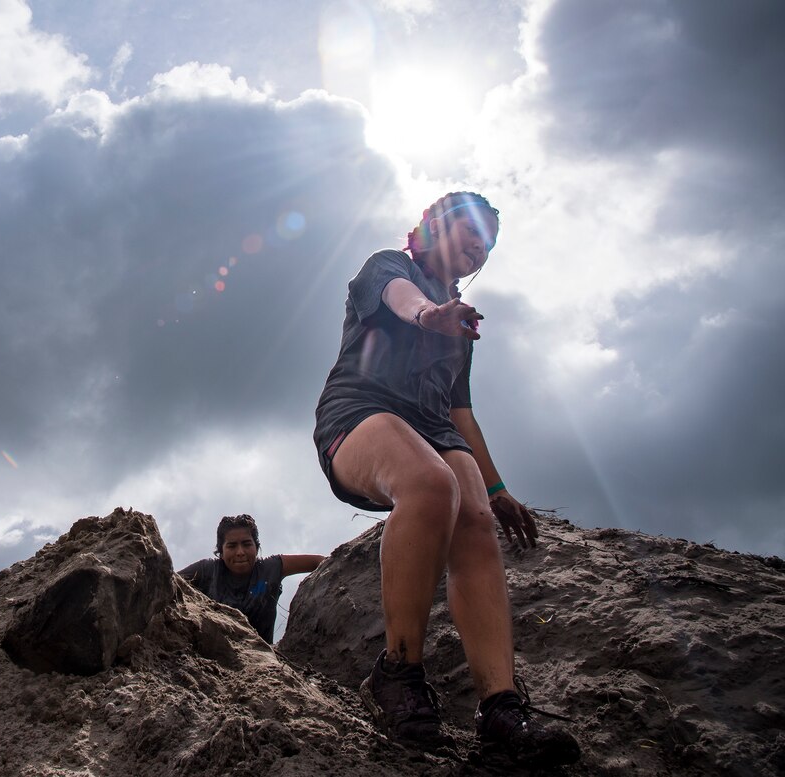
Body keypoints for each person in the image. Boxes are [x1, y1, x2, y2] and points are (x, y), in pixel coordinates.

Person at [313, 192, 580, 767]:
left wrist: (498, 489)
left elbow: (461, 414)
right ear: (434, 227)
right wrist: (428, 315)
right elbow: (399, 297)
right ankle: (397, 673)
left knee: (476, 520)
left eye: (489, 242)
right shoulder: (389, 266)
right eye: (471, 230)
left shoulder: (462, 321)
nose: (480, 245)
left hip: (436, 427)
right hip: (362, 411)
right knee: (431, 484)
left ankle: (501, 709)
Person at [178, 514, 324, 643]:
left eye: (246, 544)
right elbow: (168, 580)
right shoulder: (207, 570)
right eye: (232, 546)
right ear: (221, 552)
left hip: (262, 658)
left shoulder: (270, 568)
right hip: (210, 658)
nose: (240, 552)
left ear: (257, 547)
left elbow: (319, 561)